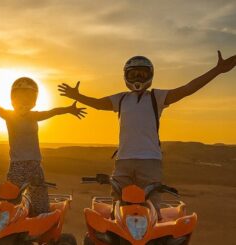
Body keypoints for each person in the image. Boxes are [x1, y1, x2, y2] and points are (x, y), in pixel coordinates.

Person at [57, 51, 236, 219]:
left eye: (142, 74)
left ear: (150, 75)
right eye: (133, 74)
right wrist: (77, 96)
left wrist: (217, 71)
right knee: (118, 207)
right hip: (124, 160)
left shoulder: (156, 97)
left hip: (149, 161)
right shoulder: (121, 99)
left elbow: (187, 88)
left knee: (151, 208)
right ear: (126, 76)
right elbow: (97, 103)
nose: (137, 78)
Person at [0, 77, 86, 216]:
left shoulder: (33, 116)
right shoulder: (9, 115)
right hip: (17, 165)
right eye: (20, 96)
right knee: (9, 202)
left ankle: (39, 231)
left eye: (28, 96)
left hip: (34, 164)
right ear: (13, 97)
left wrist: (69, 109)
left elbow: (53, 111)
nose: (24, 100)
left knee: (40, 203)